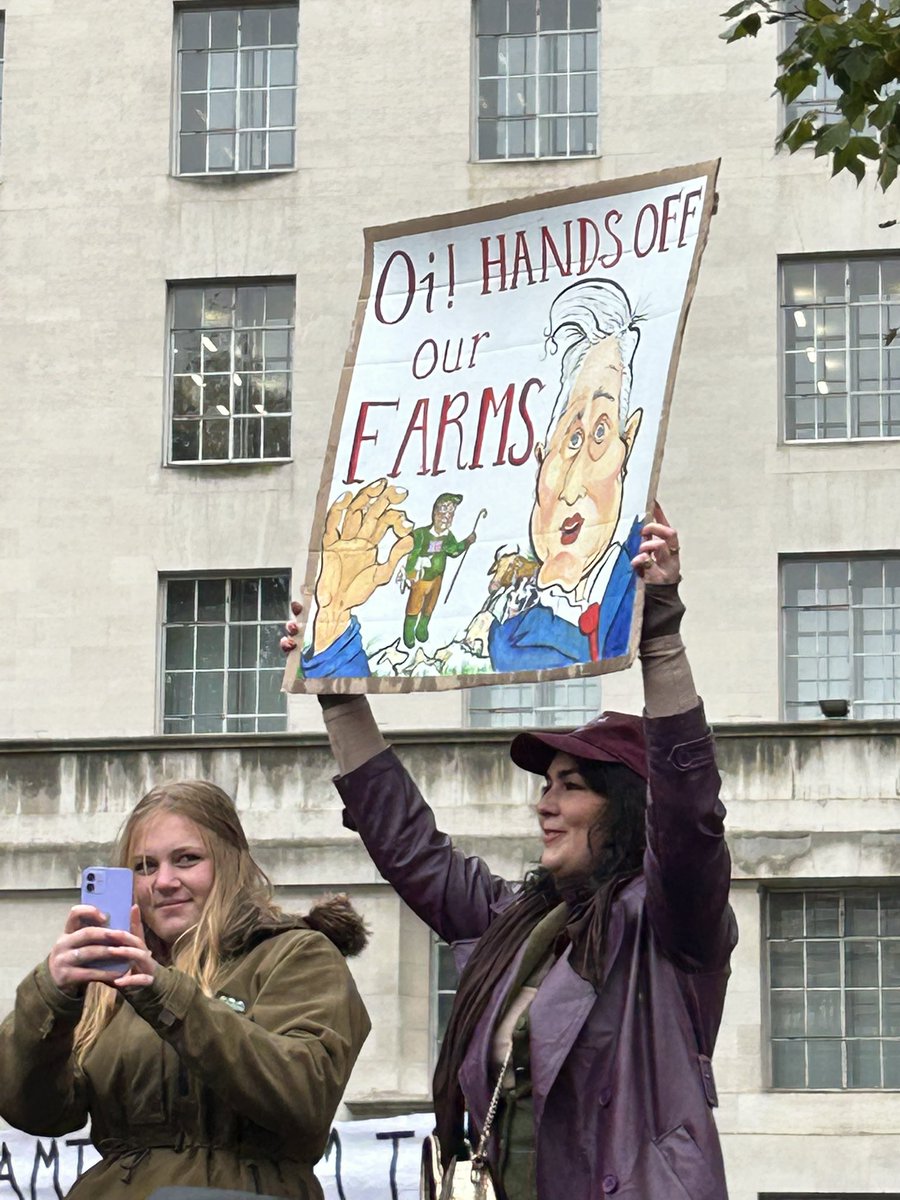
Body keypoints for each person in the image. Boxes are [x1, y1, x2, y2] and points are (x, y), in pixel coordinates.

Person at [283, 511, 737, 1200]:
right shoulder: (514, 923)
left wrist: (662, 637)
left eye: (571, 787)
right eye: (545, 786)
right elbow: (411, 850)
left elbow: (689, 812)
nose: (544, 804)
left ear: (624, 808)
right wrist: (337, 689)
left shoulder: (669, 924)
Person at [0, 781, 371, 1199]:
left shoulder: (295, 953)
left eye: (187, 859)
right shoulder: (113, 980)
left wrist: (163, 995)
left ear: (230, 863)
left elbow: (304, 1094)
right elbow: (38, 1114)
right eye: (145, 867)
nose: (164, 881)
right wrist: (53, 997)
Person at [300, 277, 644, 680]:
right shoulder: (498, 635)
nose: (572, 487)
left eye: (601, 434)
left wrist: (664, 611)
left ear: (630, 441)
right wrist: (333, 624)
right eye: (570, 439)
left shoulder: (639, 592)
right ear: (539, 457)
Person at [402, 492, 477, 648]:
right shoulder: (421, 534)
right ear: (435, 512)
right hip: (421, 578)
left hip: (437, 578)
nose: (446, 517)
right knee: (414, 606)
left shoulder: (447, 537)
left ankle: (422, 627)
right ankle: (409, 631)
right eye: (443, 512)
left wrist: (467, 542)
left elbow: (454, 551)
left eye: (450, 514)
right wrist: (410, 572)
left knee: (430, 605)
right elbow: (413, 553)